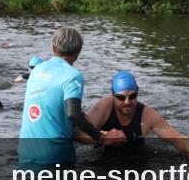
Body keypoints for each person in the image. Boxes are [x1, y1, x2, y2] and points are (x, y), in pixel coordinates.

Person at [18, 26, 117, 166]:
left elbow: (51, 104)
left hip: (26, 150)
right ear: (78, 52)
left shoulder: (36, 70)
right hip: (55, 154)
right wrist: (99, 136)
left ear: (53, 48)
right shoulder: (73, 75)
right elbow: (73, 113)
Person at [78, 71, 189, 163]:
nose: (127, 102)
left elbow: (175, 138)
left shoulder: (147, 115)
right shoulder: (103, 108)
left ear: (137, 93)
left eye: (132, 96)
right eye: (121, 98)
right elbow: (78, 134)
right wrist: (103, 137)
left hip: (137, 157)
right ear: (113, 95)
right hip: (101, 157)